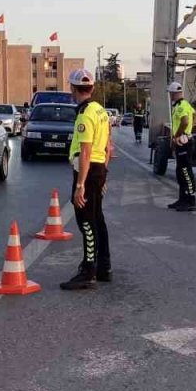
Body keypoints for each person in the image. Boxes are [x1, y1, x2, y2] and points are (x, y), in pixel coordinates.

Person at [60, 68, 112, 290]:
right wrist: (104, 175)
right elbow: (109, 146)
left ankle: (88, 271)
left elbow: (86, 151)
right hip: (99, 170)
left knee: (86, 221)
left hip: (88, 172)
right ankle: (104, 267)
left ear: (73, 88)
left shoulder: (85, 114)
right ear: (91, 88)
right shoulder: (100, 110)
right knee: (97, 219)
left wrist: (80, 185)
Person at [168, 81, 196, 212]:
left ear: (174, 94)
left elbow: (185, 121)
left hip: (183, 141)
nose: (170, 96)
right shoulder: (184, 105)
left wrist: (179, 135)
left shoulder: (181, 106)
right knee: (180, 172)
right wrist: (189, 128)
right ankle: (182, 199)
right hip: (184, 140)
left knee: (185, 172)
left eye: (171, 94)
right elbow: (195, 115)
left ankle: (191, 201)